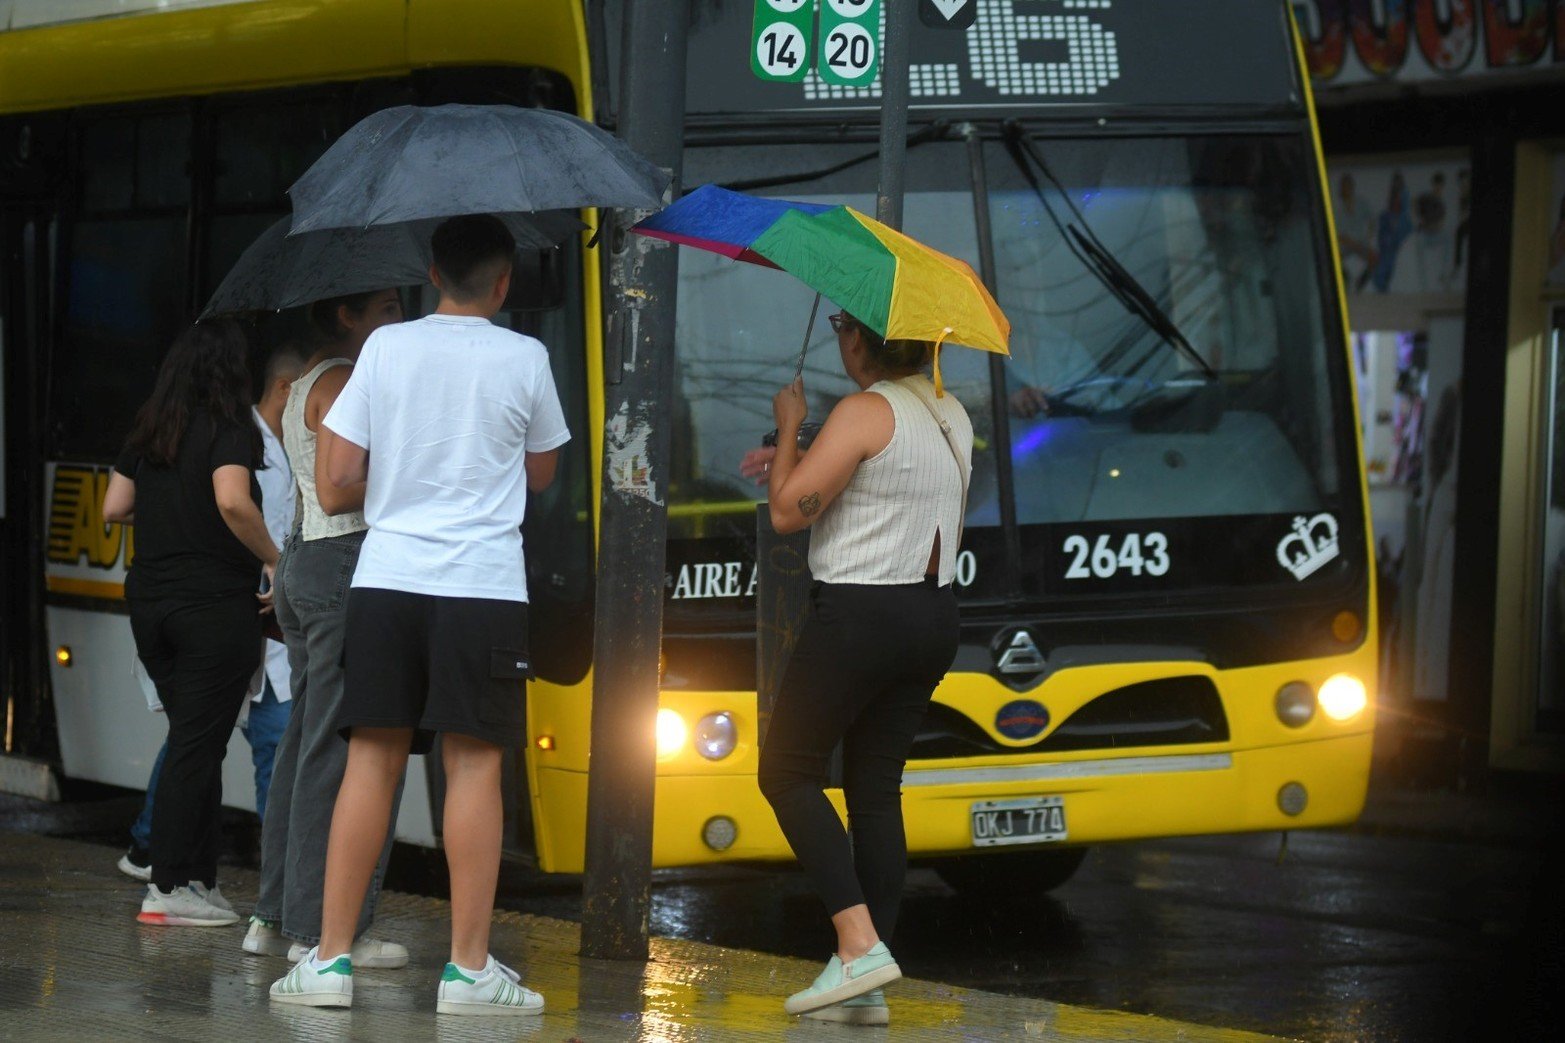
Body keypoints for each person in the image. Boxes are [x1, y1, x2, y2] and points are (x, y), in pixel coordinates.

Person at [269, 215, 568, 1015]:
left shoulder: (384, 349)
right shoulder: (526, 357)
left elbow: (337, 472)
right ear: (502, 282)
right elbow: (542, 472)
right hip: (483, 586)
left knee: (371, 759)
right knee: (473, 765)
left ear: (432, 274)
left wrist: (408, 469)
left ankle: (327, 962)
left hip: (388, 578)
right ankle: (467, 972)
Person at [756, 310, 970, 1025]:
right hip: (932, 615)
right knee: (875, 791)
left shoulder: (862, 410)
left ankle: (857, 942)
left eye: (842, 328)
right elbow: (883, 482)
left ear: (857, 339)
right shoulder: (948, 411)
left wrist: (790, 426)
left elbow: (787, 512)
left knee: (786, 771)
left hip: (861, 615)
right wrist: (800, 449)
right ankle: (866, 980)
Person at [245, 289, 407, 967]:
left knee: (304, 746)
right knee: (341, 752)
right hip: (341, 557)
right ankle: (323, 930)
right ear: (348, 315)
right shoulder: (341, 380)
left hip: (304, 559)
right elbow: (339, 490)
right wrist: (415, 475)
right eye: (387, 308)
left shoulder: (304, 378)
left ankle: (274, 915)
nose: (400, 319)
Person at [101, 320, 279, 927]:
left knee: (196, 742)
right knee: (196, 746)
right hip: (212, 609)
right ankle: (169, 886)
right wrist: (274, 558)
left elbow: (115, 507)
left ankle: (200, 878)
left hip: (151, 606)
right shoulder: (229, 427)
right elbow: (232, 499)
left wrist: (172, 513)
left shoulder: (152, 429)